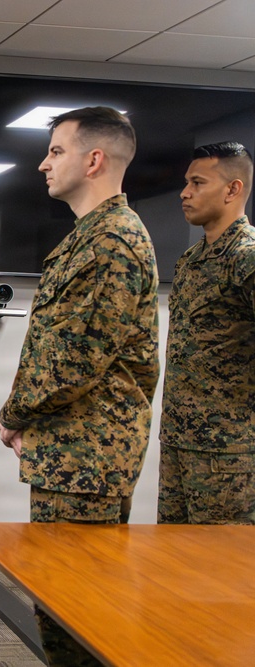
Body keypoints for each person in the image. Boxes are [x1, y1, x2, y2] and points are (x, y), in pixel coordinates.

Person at [0, 107, 159, 666]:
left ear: (94, 160)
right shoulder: (90, 236)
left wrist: (14, 413)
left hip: (87, 458)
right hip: (74, 451)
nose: (43, 164)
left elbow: (74, 359)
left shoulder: (112, 241)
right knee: (65, 605)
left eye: (56, 151)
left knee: (76, 610)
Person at [159, 142, 255, 525]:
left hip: (229, 455)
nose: (185, 193)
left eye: (197, 183)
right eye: (187, 182)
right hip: (179, 444)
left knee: (220, 561)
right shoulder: (191, 260)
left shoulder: (247, 257)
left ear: (233, 189)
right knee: (172, 555)